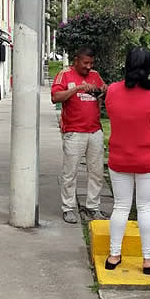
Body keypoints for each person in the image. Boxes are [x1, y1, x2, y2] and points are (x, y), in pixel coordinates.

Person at [104, 47, 150, 274]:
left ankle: (113, 256)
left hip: (119, 157)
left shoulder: (112, 90)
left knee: (120, 206)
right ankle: (148, 260)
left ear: (127, 63)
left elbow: (112, 113)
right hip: (148, 159)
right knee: (145, 209)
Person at [51, 47, 108, 223]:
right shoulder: (65, 74)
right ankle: (68, 207)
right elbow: (55, 97)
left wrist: (103, 90)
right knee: (70, 172)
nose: (88, 67)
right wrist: (77, 89)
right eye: (85, 63)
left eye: (91, 63)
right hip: (74, 131)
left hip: (94, 130)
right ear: (76, 60)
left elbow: (102, 90)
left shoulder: (95, 75)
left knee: (97, 172)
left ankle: (93, 207)